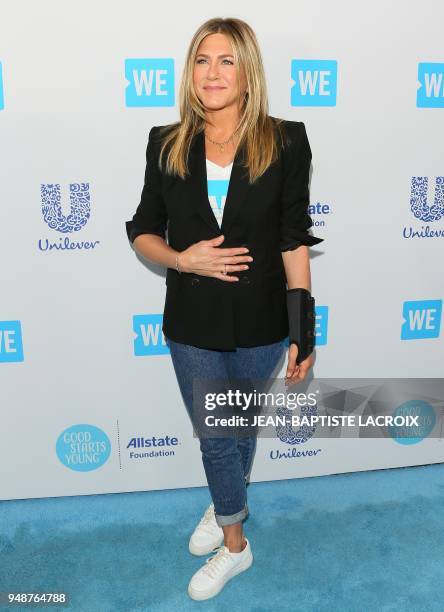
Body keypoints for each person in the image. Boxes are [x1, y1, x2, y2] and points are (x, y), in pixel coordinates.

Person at [125, 16, 324, 601]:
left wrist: (301, 333)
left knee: (237, 429)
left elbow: (293, 239)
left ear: (247, 71)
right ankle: (237, 546)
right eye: (203, 60)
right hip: (191, 321)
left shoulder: (285, 139)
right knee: (217, 431)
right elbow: (142, 230)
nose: (213, 73)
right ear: (190, 73)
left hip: (263, 321)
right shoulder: (167, 141)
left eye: (227, 60)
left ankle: (223, 503)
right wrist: (184, 261)